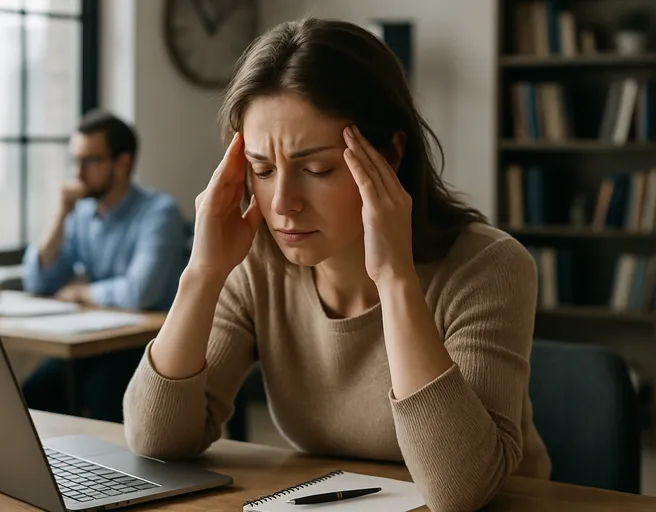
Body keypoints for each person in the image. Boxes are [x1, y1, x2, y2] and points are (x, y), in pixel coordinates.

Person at [122, 18, 551, 512]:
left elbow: (461, 490)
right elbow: (156, 439)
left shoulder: (487, 266)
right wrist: (202, 274)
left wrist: (395, 280)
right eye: (261, 169)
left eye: (316, 169)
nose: (282, 202)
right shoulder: (258, 262)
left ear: (390, 153)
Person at [20, 109, 188, 423]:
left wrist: (84, 292)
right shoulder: (82, 214)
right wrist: (59, 214)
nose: (78, 174)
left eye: (89, 161)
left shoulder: (159, 212)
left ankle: (111, 471)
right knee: (33, 392)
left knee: (102, 390)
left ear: (122, 163)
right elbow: (37, 281)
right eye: (75, 161)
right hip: (95, 342)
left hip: (150, 345)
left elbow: (141, 292)